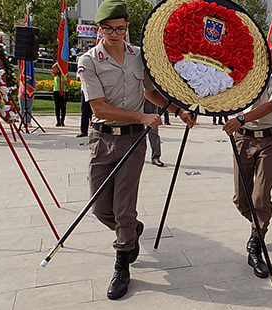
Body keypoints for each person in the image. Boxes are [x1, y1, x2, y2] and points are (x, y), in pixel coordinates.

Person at [78, 0, 195, 300]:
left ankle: (122, 265)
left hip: (132, 140)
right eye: (109, 29)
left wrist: (179, 110)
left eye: (121, 28)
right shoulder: (89, 61)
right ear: (99, 29)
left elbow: (150, 92)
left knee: (124, 206)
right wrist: (142, 116)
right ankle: (132, 230)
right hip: (102, 138)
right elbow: (99, 106)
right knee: (100, 207)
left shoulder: (138, 57)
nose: (115, 34)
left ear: (127, 25)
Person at [221, 23, 272, 279]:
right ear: (270, 43)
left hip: (270, 139)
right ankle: (258, 221)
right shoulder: (251, 63)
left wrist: (241, 118)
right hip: (243, 139)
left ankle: (256, 241)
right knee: (241, 199)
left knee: (260, 196)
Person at [145, 100, 164, 167]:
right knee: (135, 132)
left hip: (150, 103)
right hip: (137, 103)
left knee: (154, 133)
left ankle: (156, 157)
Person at [76, 65, 92, 137]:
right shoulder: (82, 64)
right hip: (85, 90)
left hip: (94, 89)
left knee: (95, 110)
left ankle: (96, 129)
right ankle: (83, 131)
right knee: (84, 111)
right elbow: (78, 78)